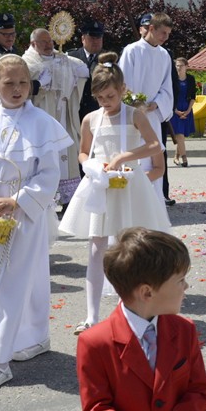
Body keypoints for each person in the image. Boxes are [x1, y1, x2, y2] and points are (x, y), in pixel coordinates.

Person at [0, 54, 73, 390]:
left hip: (23, 212)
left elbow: (50, 172)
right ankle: (33, 336)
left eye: (23, 82)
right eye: (9, 83)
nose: (18, 89)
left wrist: (18, 201)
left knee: (14, 280)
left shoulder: (42, 122)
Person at [76, 227, 206, 411]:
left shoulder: (183, 330)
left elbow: (198, 391)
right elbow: (96, 408)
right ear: (147, 292)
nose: (186, 287)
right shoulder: (96, 342)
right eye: (180, 280)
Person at [60, 54, 170, 334]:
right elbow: (83, 151)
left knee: (133, 249)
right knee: (96, 249)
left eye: (109, 96)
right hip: (101, 185)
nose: (105, 102)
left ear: (122, 89)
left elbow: (155, 146)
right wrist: (89, 164)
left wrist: (124, 156)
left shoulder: (134, 114)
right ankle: (91, 315)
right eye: (99, 98)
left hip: (129, 185)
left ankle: (136, 313)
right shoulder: (90, 119)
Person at [22, 27, 89, 203]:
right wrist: (39, 84)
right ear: (33, 43)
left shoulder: (63, 59)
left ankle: (68, 199)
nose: (48, 45)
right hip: (42, 114)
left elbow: (81, 70)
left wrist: (78, 72)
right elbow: (23, 89)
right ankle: (44, 197)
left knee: (67, 153)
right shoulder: (27, 63)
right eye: (43, 42)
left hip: (64, 115)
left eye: (50, 41)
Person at [120, 12, 176, 206]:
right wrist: (135, 103)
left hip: (152, 116)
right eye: (163, 33)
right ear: (151, 28)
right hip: (132, 117)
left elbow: (167, 87)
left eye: (168, 34)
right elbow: (123, 83)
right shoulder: (132, 51)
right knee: (135, 160)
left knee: (154, 163)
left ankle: (154, 206)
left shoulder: (164, 55)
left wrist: (157, 104)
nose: (165, 38)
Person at [68, 18, 107, 120]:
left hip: (98, 110)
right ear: (83, 39)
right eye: (92, 37)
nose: (96, 41)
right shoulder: (72, 57)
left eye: (98, 37)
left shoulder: (108, 58)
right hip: (75, 111)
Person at [171, 57, 196, 168]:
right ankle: (184, 158)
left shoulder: (190, 79)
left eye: (181, 65)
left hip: (186, 108)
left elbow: (193, 97)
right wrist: (175, 110)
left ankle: (176, 156)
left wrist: (188, 110)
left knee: (181, 136)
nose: (179, 68)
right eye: (177, 65)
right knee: (179, 135)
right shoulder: (172, 79)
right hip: (175, 109)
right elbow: (169, 96)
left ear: (186, 66)